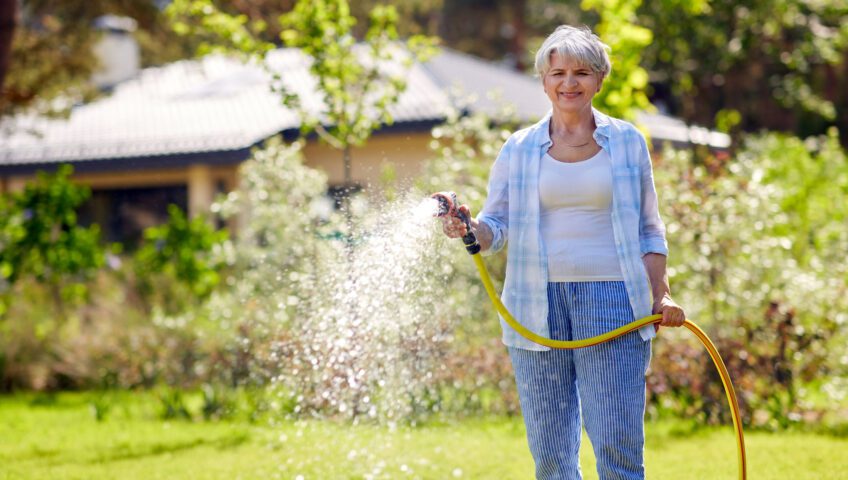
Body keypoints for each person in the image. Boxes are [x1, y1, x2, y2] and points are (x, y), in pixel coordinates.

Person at [440, 25, 685, 480]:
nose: (569, 83)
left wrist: (661, 295)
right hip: (535, 306)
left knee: (617, 449)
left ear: (599, 80)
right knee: (551, 457)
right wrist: (468, 228)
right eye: (558, 73)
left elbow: (650, 229)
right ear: (543, 80)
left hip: (615, 304)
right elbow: (496, 228)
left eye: (581, 73)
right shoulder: (519, 148)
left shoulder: (628, 142)